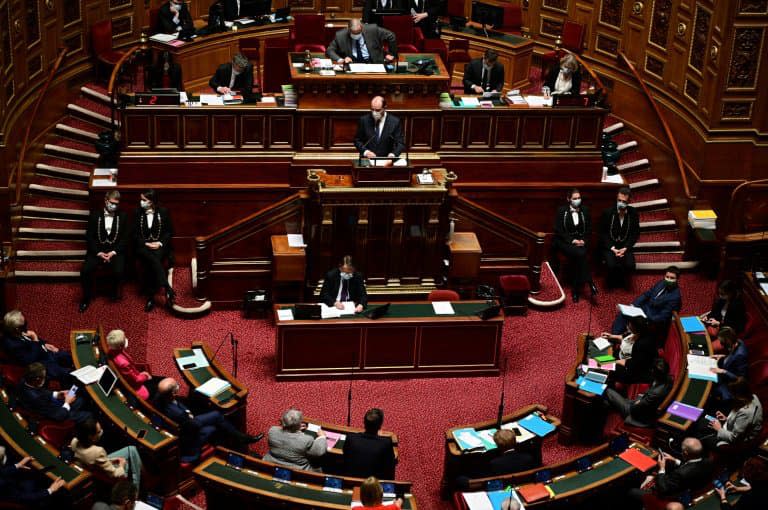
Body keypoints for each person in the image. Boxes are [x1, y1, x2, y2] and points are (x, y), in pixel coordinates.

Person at [153, 378, 263, 462]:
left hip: (184, 424)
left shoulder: (159, 397)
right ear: (173, 393)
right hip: (188, 439)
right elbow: (194, 426)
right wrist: (189, 414)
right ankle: (238, 442)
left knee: (216, 417)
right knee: (216, 421)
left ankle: (239, 438)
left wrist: (188, 413)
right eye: (177, 385)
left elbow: (180, 406)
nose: (178, 385)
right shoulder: (178, 413)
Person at [80, 190, 129, 312]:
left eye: (116, 204)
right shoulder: (95, 215)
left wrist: (113, 252)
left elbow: (125, 238)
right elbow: (89, 237)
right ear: (106, 200)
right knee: (85, 271)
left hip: (115, 251)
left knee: (119, 271)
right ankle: (86, 297)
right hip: (98, 251)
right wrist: (98, 252)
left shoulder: (123, 216)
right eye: (112, 203)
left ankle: (113, 292)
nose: (114, 206)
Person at [551, 188, 597, 302]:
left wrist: (584, 240)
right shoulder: (562, 210)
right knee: (581, 254)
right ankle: (589, 281)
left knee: (579, 257)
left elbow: (589, 229)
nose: (578, 200)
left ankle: (575, 290)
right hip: (565, 242)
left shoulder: (585, 210)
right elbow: (559, 230)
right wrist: (572, 241)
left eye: (579, 198)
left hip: (580, 244)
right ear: (568, 199)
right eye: (575, 198)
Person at [2, 310, 74, 383]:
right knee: (68, 374)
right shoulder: (13, 345)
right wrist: (35, 339)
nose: (26, 325)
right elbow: (30, 360)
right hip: (40, 364)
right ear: (17, 328)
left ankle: (72, 365)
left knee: (66, 356)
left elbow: (32, 341)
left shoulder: (18, 330)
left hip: (43, 351)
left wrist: (44, 344)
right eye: (24, 324)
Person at [630, 437, 712, 500]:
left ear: (685, 453)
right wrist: (675, 460)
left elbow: (663, 489)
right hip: (690, 487)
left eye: (682, 450)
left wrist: (662, 469)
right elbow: (691, 466)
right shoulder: (707, 461)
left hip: (670, 496)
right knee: (649, 477)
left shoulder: (680, 473)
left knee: (632, 491)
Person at [71, 418, 143, 489]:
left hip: (94, 467)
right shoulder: (98, 451)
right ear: (91, 437)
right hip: (104, 475)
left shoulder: (74, 441)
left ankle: (138, 474)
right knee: (131, 453)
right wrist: (122, 464)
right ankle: (135, 490)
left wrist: (109, 460)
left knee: (132, 451)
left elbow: (92, 460)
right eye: (98, 432)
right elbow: (115, 474)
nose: (101, 432)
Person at [133, 189, 175, 312]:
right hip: (143, 247)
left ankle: (151, 297)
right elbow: (134, 234)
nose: (141, 202)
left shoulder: (163, 212)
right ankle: (166, 287)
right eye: (141, 199)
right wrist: (145, 243)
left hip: (159, 247)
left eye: (144, 200)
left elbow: (169, 232)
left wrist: (160, 243)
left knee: (152, 262)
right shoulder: (137, 212)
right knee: (152, 259)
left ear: (151, 202)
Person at [611, 266, 682, 335]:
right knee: (624, 313)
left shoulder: (675, 297)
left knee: (636, 324)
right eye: (667, 277)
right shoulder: (661, 282)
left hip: (653, 317)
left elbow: (663, 315)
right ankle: (613, 335)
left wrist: (646, 318)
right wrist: (634, 305)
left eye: (672, 278)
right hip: (645, 308)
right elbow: (647, 294)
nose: (668, 279)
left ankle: (622, 336)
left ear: (677, 279)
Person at [604, 358, 673, 427]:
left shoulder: (654, 393)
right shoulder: (668, 379)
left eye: (652, 370)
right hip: (640, 403)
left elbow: (634, 409)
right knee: (609, 401)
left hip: (635, 413)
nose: (651, 371)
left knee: (608, 391)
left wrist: (638, 402)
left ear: (655, 373)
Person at [16, 362, 92, 424]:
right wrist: (67, 403)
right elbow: (58, 416)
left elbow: (41, 392)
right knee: (88, 415)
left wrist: (57, 394)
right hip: (55, 414)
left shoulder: (25, 381)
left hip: (52, 405)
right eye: (44, 377)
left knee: (80, 400)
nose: (45, 378)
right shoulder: (37, 398)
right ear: (37, 379)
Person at [702, 378, 763, 451]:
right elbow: (742, 422)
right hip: (732, 429)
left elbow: (734, 438)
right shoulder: (753, 396)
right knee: (705, 420)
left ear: (738, 395)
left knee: (700, 430)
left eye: (732, 393)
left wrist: (719, 428)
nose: (731, 395)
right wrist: (726, 419)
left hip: (736, 443)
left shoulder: (746, 412)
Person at [599, 186, 640, 288]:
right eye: (619, 200)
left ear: (629, 201)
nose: (621, 203)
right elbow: (602, 233)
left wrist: (625, 248)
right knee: (610, 265)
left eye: (624, 201)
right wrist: (612, 248)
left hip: (625, 246)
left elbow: (635, 234)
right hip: (610, 246)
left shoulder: (633, 213)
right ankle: (612, 279)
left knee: (630, 265)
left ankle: (622, 279)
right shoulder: (607, 212)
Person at [0, 446, 67, 507]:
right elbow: (23, 497)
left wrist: (18, 465)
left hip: (14, 485)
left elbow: (2, 472)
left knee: (32, 475)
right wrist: (50, 490)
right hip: (25, 499)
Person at [263, 408, 327, 471]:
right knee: (318, 469)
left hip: (270, 463)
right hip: (296, 469)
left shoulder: (272, 430)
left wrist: (295, 428)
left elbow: (286, 436)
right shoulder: (306, 439)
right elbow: (319, 452)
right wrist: (322, 437)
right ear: (298, 424)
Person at [106, 330, 161, 400]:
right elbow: (135, 380)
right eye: (124, 339)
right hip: (135, 385)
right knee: (158, 385)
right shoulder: (123, 364)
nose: (125, 339)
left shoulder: (112, 350)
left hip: (135, 374)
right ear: (120, 346)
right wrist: (145, 376)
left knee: (159, 379)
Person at [343, 408, 396, 480]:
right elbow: (390, 468)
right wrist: (380, 438)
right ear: (380, 426)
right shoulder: (386, 443)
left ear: (364, 422)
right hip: (372, 486)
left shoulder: (351, 438)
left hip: (350, 482)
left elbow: (345, 455)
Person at [354, 96, 405, 163]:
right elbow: (357, 141)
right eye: (372, 110)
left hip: (387, 161)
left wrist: (393, 155)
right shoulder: (364, 120)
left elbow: (400, 143)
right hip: (367, 161)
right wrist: (366, 152)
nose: (374, 113)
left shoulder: (395, 122)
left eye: (378, 110)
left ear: (385, 108)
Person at [327, 19, 398, 65]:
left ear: (362, 27)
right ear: (348, 29)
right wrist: (340, 60)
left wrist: (391, 54)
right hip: (353, 64)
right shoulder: (340, 35)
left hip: (374, 63)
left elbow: (391, 36)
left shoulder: (372, 29)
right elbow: (330, 50)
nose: (356, 35)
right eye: (353, 33)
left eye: (358, 33)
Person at [610, 317, 658, 384]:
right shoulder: (637, 332)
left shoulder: (642, 345)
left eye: (630, 326)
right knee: (598, 361)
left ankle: (599, 388)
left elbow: (631, 365)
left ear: (636, 328)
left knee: (603, 366)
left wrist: (614, 361)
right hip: (620, 357)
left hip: (628, 369)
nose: (627, 326)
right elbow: (624, 337)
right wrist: (610, 336)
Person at [709, 327, 749, 404]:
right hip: (723, 373)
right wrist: (722, 356)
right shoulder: (737, 342)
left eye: (722, 343)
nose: (721, 344)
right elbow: (732, 357)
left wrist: (723, 371)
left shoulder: (741, 355)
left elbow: (740, 378)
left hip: (729, 384)